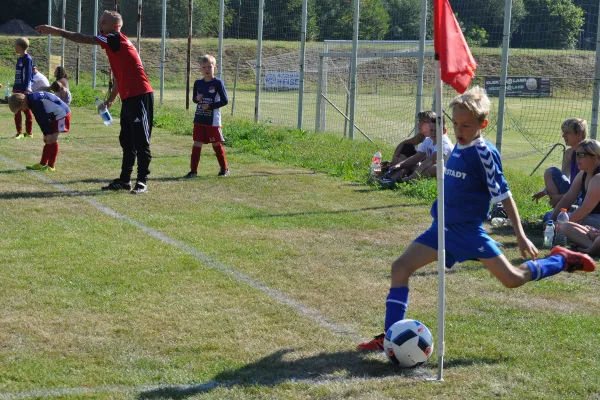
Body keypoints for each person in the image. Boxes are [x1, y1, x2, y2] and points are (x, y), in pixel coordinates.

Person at [357, 86, 596, 352]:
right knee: (400, 268)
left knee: (513, 279)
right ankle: (390, 338)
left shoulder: (484, 153)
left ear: (483, 124)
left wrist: (520, 235)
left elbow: (505, 196)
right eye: (456, 124)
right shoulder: (459, 146)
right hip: (441, 229)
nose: (459, 131)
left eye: (466, 126)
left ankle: (561, 259)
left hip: (468, 234)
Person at [36, 10, 154, 194]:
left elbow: (83, 38)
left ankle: (142, 181)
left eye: (104, 22)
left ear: (114, 25)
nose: (100, 25)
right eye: (101, 21)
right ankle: (125, 180)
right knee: (126, 140)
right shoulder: (115, 47)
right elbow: (118, 78)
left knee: (140, 141)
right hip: (129, 98)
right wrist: (110, 101)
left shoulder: (114, 38)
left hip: (140, 96)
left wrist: (55, 30)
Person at [184, 54, 230, 178]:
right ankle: (193, 171)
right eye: (204, 67)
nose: (206, 70)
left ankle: (224, 169)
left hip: (213, 121)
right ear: (200, 69)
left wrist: (210, 106)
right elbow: (194, 99)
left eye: (209, 67)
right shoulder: (198, 83)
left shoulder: (218, 83)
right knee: (196, 143)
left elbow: (225, 101)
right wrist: (196, 98)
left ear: (214, 68)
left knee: (216, 144)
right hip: (199, 119)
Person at [548, 139, 600, 243]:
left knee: (566, 225)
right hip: (590, 217)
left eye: (581, 155)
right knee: (550, 217)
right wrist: (552, 219)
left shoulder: (598, 178)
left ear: (594, 158)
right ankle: (591, 240)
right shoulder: (583, 174)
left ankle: (591, 245)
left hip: (596, 218)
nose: (577, 158)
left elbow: (585, 209)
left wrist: (560, 223)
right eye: (576, 154)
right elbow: (568, 198)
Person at [8, 92, 71, 171]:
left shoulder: (35, 102)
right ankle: (42, 164)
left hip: (62, 114)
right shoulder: (31, 99)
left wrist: (47, 133)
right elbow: (40, 119)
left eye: (21, 108)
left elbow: (42, 119)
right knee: (48, 140)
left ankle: (51, 166)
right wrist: (46, 133)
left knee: (52, 139)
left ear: (23, 102)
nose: (22, 110)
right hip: (55, 114)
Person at [532, 118, 587, 207]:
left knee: (548, 217)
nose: (563, 136)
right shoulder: (569, 153)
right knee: (550, 172)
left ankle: (561, 208)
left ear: (579, 134)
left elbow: (587, 188)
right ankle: (560, 208)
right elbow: (564, 176)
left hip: (583, 197)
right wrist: (546, 191)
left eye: (567, 133)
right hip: (572, 192)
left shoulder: (588, 154)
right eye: (563, 132)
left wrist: (560, 197)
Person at [12, 37, 34, 139]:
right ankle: (19, 132)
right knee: (16, 110)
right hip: (17, 87)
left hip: (24, 89)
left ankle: (29, 133)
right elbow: (18, 74)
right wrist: (15, 86)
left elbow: (28, 75)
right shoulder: (19, 59)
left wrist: (26, 89)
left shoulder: (27, 59)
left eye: (16, 45)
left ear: (19, 46)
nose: (14, 47)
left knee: (26, 110)